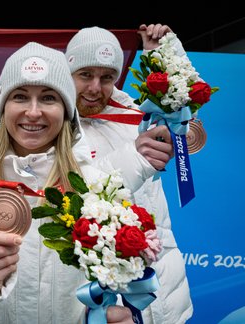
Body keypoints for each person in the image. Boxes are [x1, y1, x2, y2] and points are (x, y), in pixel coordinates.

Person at [0, 41, 149, 323]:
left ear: (66, 110)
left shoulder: (98, 185)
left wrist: (123, 315)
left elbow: (121, 282)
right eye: (21, 97)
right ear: (3, 107)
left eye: (49, 98)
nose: (34, 112)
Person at [64, 24, 193, 322]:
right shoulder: (53, 128)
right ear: (66, 73)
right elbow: (73, 196)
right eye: (85, 75)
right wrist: (133, 159)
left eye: (106, 77)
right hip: (99, 295)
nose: (96, 87)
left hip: (163, 289)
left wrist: (159, 53)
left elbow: (181, 110)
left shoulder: (136, 117)